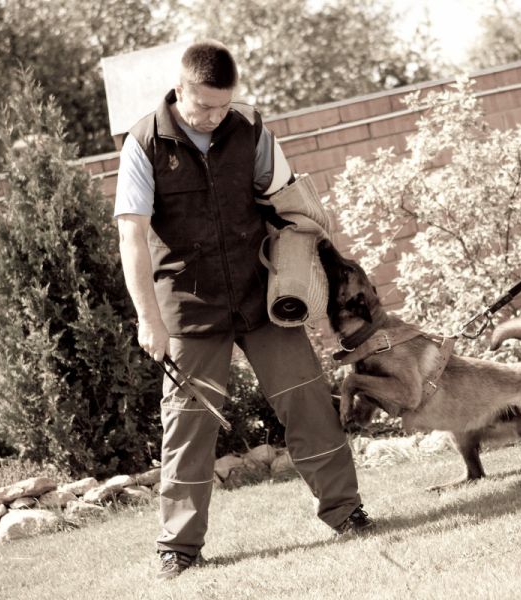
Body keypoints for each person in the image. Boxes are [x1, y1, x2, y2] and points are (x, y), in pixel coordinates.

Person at [114, 40, 371, 580]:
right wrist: (147, 319)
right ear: (179, 89)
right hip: (188, 308)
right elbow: (131, 235)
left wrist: (310, 262)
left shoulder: (250, 128)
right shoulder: (143, 143)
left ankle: (346, 513)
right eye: (204, 106)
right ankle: (179, 549)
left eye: (224, 105)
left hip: (261, 298)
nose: (215, 116)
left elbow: (290, 206)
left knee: (308, 404)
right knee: (186, 428)